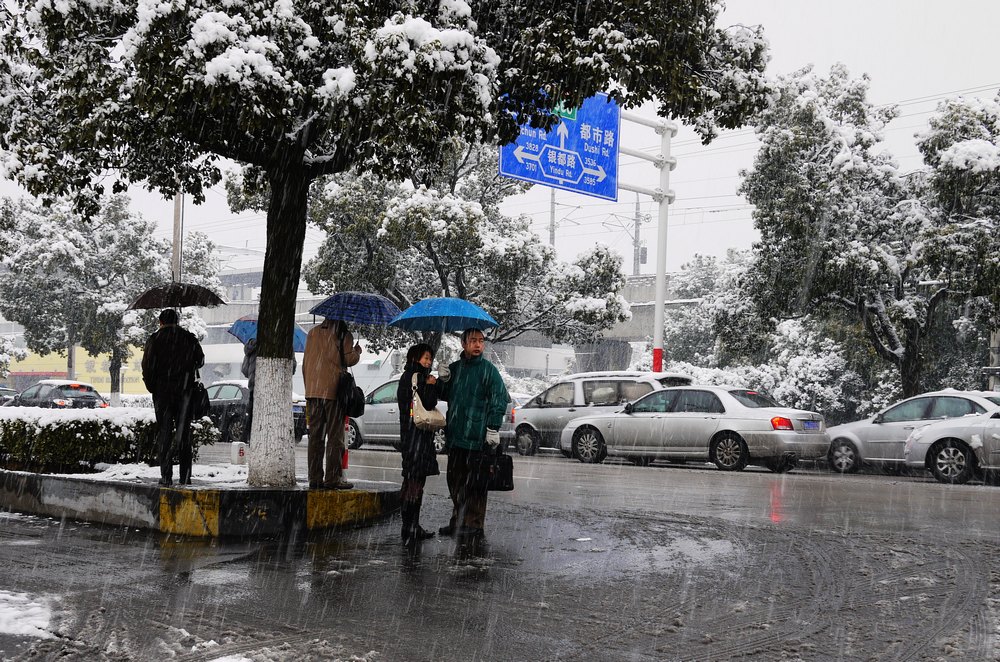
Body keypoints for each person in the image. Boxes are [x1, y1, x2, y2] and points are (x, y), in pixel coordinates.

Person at [436, 328, 509, 540]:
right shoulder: (456, 369)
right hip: (456, 435)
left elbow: (499, 399)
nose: (478, 345)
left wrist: (493, 427)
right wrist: (443, 379)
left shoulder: (488, 371)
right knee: (455, 482)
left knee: (476, 484)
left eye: (481, 341)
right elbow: (443, 394)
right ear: (463, 343)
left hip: (477, 438)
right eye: (473, 341)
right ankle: (457, 521)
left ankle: (474, 524)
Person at [141, 309, 205, 486]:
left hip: (163, 394)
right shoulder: (188, 338)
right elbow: (200, 361)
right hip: (185, 392)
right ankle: (185, 476)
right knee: (184, 435)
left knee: (165, 435)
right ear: (177, 321)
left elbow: (147, 366)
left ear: (160, 322)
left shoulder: (155, 339)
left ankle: (166, 476)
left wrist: (153, 387)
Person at [302, 318, 361, 489]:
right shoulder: (343, 333)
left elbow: (306, 364)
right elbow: (349, 360)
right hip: (333, 393)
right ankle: (332, 478)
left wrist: (311, 388)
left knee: (316, 438)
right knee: (335, 438)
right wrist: (356, 351)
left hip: (313, 392)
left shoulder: (313, 333)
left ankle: (315, 478)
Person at [396, 343, 441, 545]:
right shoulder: (419, 378)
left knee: (410, 480)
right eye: (425, 358)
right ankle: (412, 526)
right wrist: (431, 385)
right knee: (416, 483)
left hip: (409, 436)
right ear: (415, 358)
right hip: (419, 438)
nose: (428, 362)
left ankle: (409, 525)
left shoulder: (405, 378)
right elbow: (429, 403)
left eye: (430, 358)